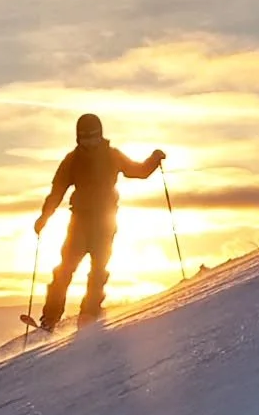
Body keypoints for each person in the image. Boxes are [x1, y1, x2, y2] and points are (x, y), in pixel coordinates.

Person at [33, 113, 165, 331]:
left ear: (100, 135)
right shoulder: (72, 161)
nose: (89, 141)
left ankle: (89, 314)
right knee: (65, 270)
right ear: (78, 138)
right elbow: (57, 191)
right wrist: (44, 217)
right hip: (80, 223)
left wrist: (154, 159)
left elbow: (138, 171)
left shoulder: (112, 156)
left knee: (98, 270)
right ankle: (50, 318)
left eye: (92, 137)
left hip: (105, 222)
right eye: (84, 137)